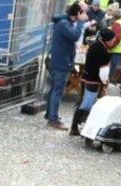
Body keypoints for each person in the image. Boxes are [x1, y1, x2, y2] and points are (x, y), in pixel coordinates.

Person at [46, 2, 89, 130]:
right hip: (61, 63)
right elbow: (75, 36)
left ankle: (50, 115)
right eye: (82, 13)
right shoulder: (64, 24)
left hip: (59, 61)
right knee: (58, 91)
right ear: (77, 14)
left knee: (54, 90)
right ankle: (53, 119)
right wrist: (80, 22)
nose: (84, 16)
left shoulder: (64, 22)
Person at [69, 28, 113, 136]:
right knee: (86, 105)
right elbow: (103, 72)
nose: (113, 42)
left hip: (86, 78)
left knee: (83, 103)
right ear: (107, 40)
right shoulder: (103, 51)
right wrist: (105, 82)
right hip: (93, 82)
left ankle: (76, 127)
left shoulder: (94, 45)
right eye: (112, 40)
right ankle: (79, 128)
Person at [104, 4, 121, 80]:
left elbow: (116, 38)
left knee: (113, 72)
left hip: (115, 50)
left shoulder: (117, 23)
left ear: (115, 17)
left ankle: (111, 85)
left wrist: (108, 46)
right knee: (117, 72)